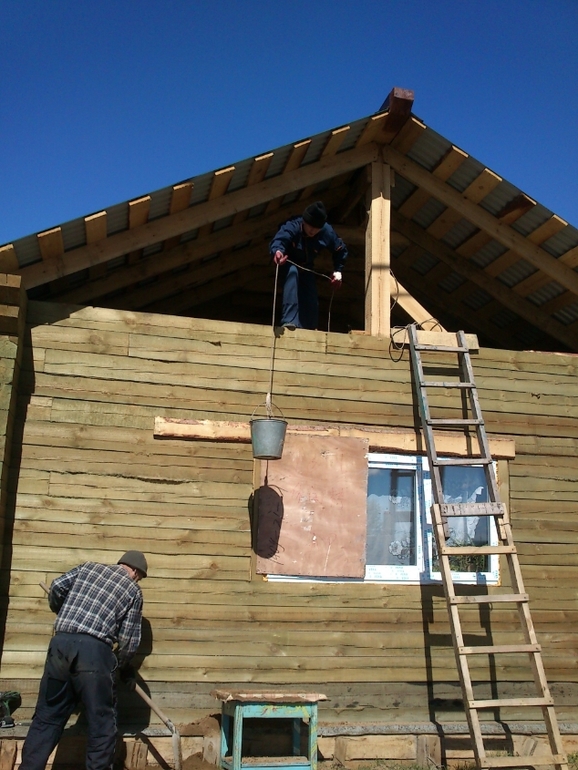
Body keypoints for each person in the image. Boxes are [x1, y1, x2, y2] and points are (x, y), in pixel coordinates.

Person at [21, 551, 148, 770]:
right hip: (94, 654)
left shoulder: (87, 567)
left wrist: (59, 608)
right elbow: (129, 640)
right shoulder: (132, 590)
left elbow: (58, 586)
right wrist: (122, 665)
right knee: (101, 725)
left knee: (47, 718)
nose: (137, 581)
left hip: (60, 647)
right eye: (139, 577)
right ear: (135, 571)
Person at [270, 201, 348, 329]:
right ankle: (290, 321)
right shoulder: (293, 225)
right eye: (310, 226)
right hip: (287, 261)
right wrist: (278, 252)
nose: (312, 230)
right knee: (292, 273)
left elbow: (340, 249)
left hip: (307, 266)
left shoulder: (326, 231)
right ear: (304, 222)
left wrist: (338, 271)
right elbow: (281, 238)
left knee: (311, 296)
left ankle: (309, 328)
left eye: (317, 228)